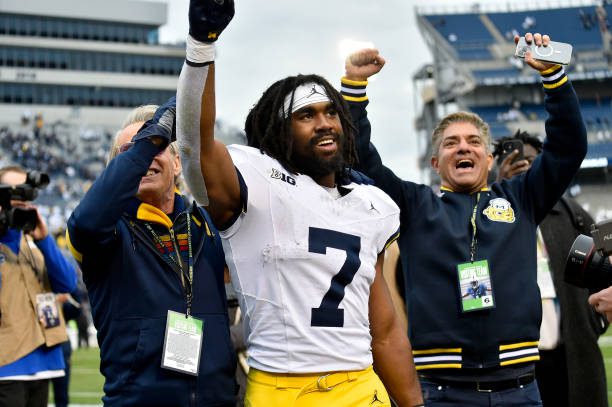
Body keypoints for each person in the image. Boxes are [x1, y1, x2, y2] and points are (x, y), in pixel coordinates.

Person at [175, 1, 423, 405]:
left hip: (361, 386)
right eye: (306, 115)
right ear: (278, 129)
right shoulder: (255, 180)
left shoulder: (371, 203)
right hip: (283, 388)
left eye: (330, 112)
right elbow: (193, 145)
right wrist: (202, 46)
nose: (324, 122)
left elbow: (385, 330)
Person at [346, 33, 587, 406]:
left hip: (521, 388)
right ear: (434, 163)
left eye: (474, 141)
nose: (463, 147)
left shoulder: (522, 198)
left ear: (489, 160)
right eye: (451, 142)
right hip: (442, 391)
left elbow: (568, 147)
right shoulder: (413, 204)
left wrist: (554, 79)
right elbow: (361, 158)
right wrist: (354, 89)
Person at [66, 101, 237, 406]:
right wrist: (151, 140)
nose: (144, 154)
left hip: (216, 399)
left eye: (156, 147)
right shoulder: (106, 233)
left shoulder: (206, 224)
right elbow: (87, 222)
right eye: (131, 151)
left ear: (177, 164)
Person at [494, 130, 609, 407]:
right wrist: (500, 190)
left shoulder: (571, 210)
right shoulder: (485, 216)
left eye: (532, 160)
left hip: (573, 352)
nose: (523, 165)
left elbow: (610, 247)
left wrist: (594, 321)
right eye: (513, 159)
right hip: (516, 360)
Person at [0, 166, 77, 407]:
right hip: (8, 364)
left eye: (26, 191)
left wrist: (45, 240)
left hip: (44, 362)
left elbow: (67, 282)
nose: (21, 199)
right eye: (14, 193)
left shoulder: (34, 242)